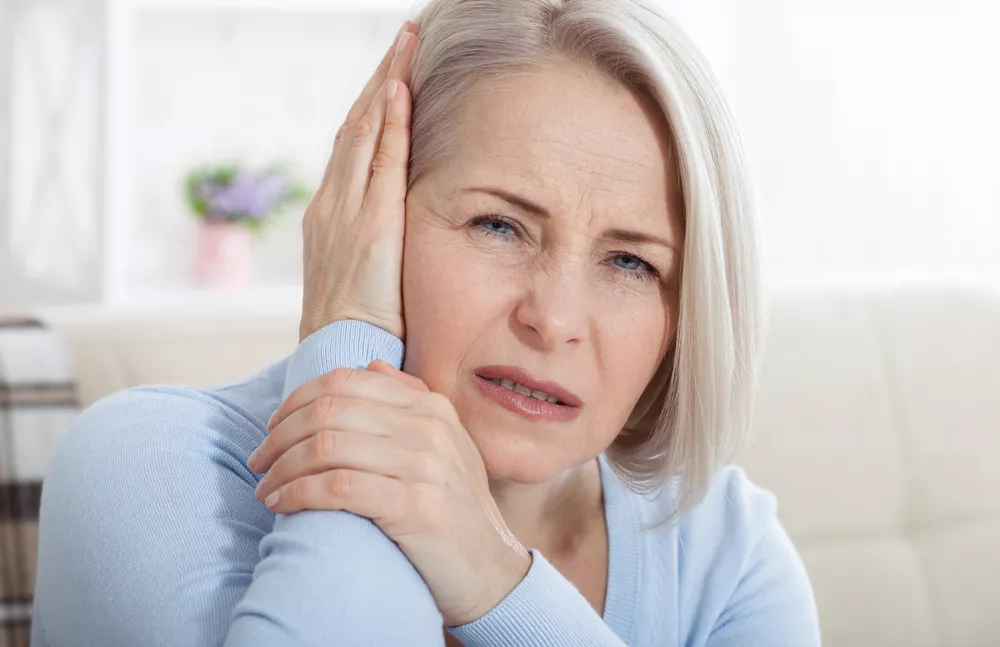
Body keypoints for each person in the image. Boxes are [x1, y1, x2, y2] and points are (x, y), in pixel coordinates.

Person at [31, 0, 821, 645]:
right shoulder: (145, 468)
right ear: (371, 214)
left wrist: (494, 578)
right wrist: (350, 346)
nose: (553, 319)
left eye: (630, 263)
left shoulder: (727, 552)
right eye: (499, 226)